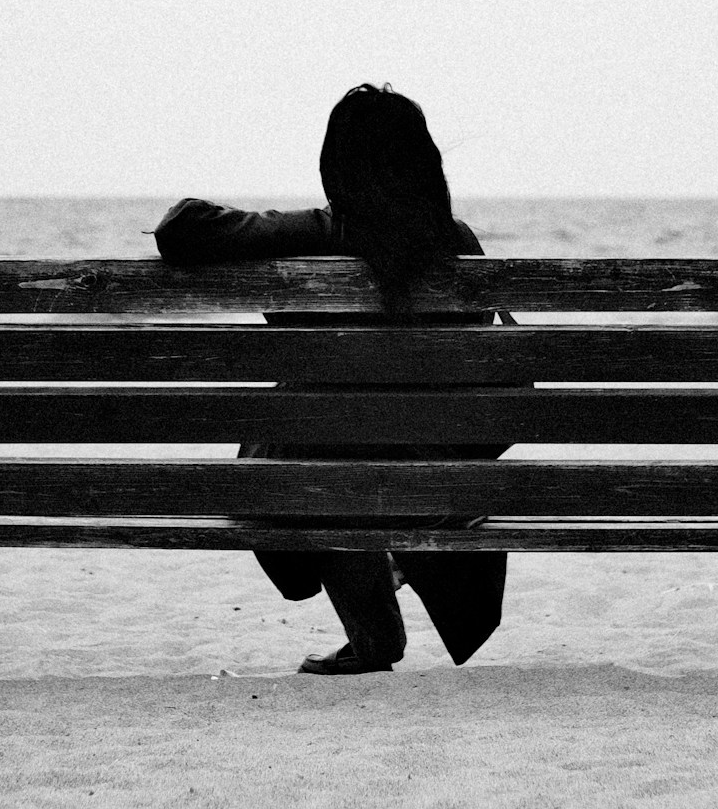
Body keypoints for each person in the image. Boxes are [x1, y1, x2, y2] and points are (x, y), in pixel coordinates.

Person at [154, 83, 508, 675]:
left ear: (335, 163)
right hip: (435, 480)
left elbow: (181, 227)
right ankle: (388, 581)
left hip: (312, 482)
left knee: (308, 440)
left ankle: (373, 635)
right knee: (345, 441)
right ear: (425, 162)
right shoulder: (460, 243)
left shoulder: (312, 236)